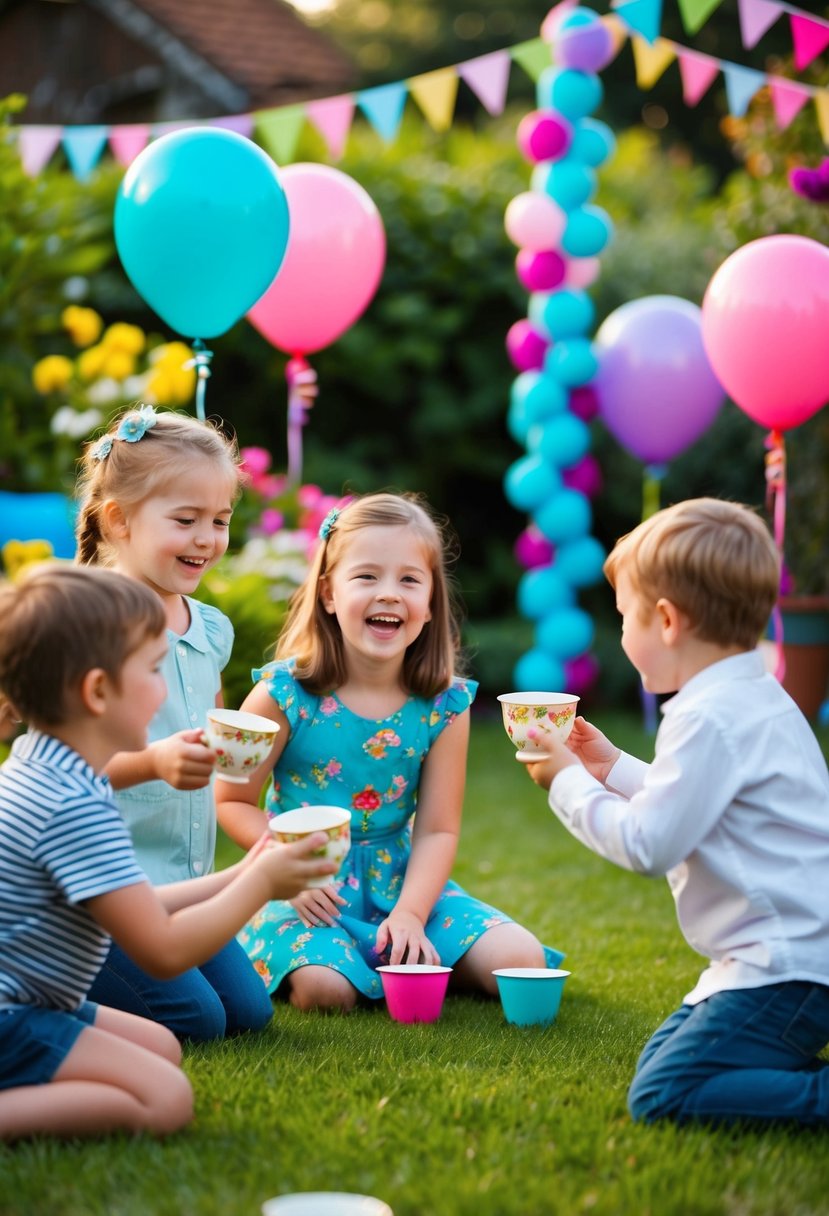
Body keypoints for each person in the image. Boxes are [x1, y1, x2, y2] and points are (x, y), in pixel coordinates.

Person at [518, 497, 829, 1127]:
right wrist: (613, 768)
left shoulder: (707, 714)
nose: (623, 634)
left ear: (665, 620)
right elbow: (696, 797)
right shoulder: (751, 692)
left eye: (625, 618)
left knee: (665, 1095)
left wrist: (567, 782)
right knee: (667, 1058)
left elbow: (648, 844)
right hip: (794, 955)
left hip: (788, 965)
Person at [0, 565, 334, 1140]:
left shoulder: (49, 765)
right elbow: (161, 948)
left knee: (160, 1045)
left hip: (34, 996)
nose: (168, 689)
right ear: (97, 691)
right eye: (153, 669)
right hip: (14, 1015)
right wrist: (260, 887)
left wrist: (248, 868)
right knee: (166, 1100)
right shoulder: (73, 805)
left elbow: (138, 903)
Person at [217, 491, 564, 1012]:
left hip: (405, 882)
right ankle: (354, 963)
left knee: (522, 958)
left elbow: (439, 829)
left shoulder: (444, 702)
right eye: (367, 577)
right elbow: (232, 800)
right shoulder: (283, 694)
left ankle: (408, 951)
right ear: (329, 594)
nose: (389, 594)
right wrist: (281, 871)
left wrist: (410, 913)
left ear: (429, 604)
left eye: (408, 579)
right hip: (305, 886)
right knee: (326, 991)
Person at [75, 403, 273, 1040]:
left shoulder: (209, 627)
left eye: (219, 521)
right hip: (102, 892)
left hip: (184, 887)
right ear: (119, 520)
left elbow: (209, 726)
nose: (207, 539)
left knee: (248, 1013)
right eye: (185, 520)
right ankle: (50, 986)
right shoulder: (89, 627)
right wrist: (155, 762)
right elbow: (65, 767)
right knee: (200, 1020)